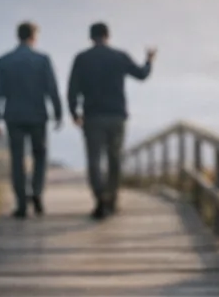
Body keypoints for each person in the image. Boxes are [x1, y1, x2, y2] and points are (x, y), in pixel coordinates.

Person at [67, 21, 156, 219]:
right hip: (116, 116)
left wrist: (74, 113)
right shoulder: (119, 56)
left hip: (92, 116)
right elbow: (141, 75)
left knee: (94, 159)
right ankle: (112, 198)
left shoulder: (82, 58)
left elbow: (72, 89)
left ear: (91, 37)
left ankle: (100, 197)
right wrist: (149, 60)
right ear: (108, 36)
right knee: (114, 158)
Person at [0, 21, 63, 218]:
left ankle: (21, 204)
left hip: (13, 116)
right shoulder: (43, 59)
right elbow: (52, 88)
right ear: (34, 36)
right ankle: (37, 192)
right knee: (40, 155)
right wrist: (58, 113)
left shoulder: (4, 61)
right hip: (38, 115)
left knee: (17, 159)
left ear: (18, 36)